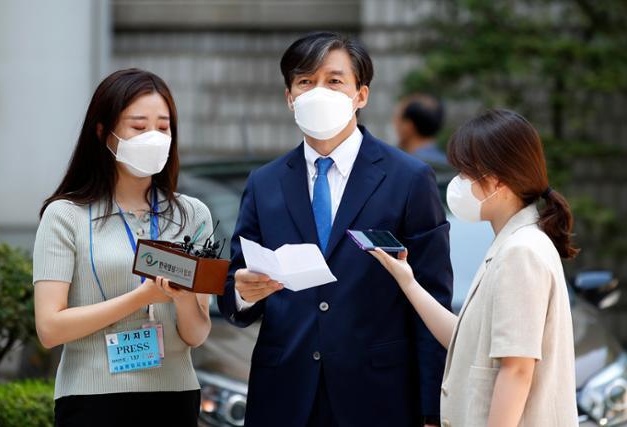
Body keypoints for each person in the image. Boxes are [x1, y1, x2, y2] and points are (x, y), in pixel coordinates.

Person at [217, 32, 453, 427]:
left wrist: (433, 410)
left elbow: (432, 297)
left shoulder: (408, 178)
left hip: (380, 397)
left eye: (334, 80)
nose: (318, 91)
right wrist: (242, 292)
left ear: (361, 95)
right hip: (284, 395)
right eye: (305, 82)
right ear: (289, 97)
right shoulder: (264, 182)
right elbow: (233, 290)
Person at [372, 109, 579, 426]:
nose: (459, 184)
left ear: (497, 180)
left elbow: (517, 369)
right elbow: (466, 339)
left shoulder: (520, 252)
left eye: (466, 174)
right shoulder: (513, 243)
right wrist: (409, 282)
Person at [33, 69, 214, 427]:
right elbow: (50, 328)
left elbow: (196, 334)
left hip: (174, 396)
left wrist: (179, 297)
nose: (154, 137)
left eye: (163, 128)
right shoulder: (65, 216)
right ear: (104, 133)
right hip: (92, 399)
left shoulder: (194, 215)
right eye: (138, 126)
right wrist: (139, 297)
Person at [394, 93, 448, 166]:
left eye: (397, 118)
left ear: (408, 126)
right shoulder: (448, 163)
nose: (395, 124)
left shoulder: (404, 166)